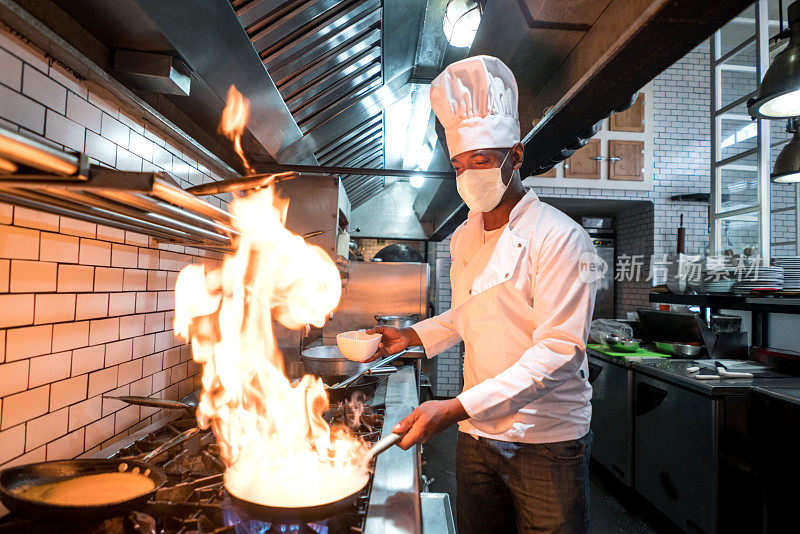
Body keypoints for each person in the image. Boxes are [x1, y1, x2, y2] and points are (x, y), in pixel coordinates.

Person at [367, 55, 599, 534]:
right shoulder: (465, 236)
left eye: (484, 160)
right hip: (477, 434)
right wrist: (409, 337)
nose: (470, 174)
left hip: (546, 439)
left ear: (515, 156)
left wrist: (455, 408)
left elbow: (559, 352)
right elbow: (462, 317)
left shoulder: (561, 237)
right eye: (459, 164)